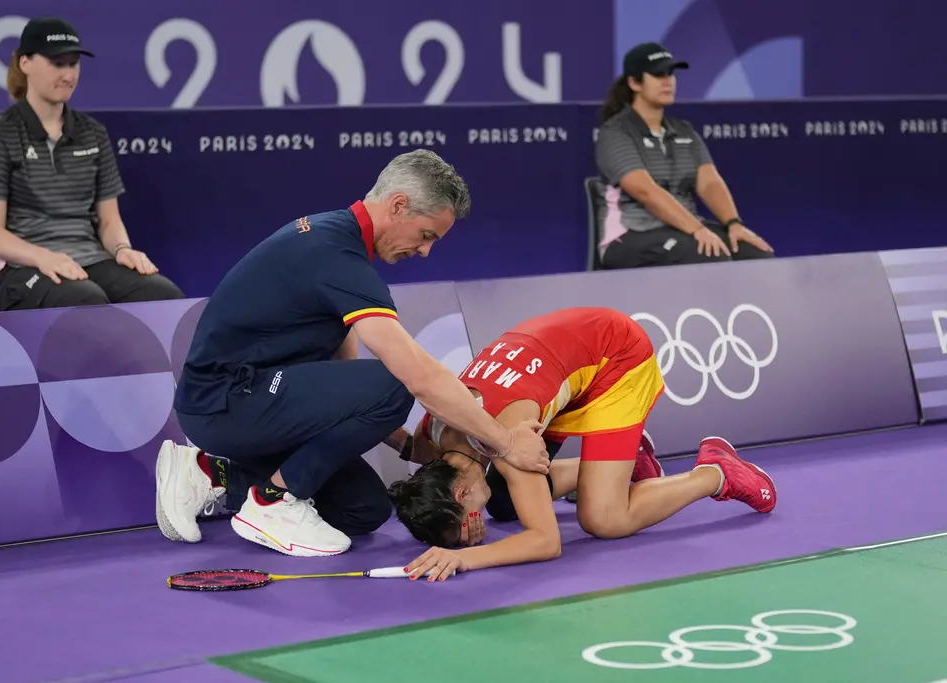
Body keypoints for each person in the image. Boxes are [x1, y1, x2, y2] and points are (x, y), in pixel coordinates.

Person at [155, 150, 550, 557]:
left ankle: (206, 473)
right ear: (399, 205)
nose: (424, 251)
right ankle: (273, 502)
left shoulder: (339, 244)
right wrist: (504, 443)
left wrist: (405, 445)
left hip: (254, 400)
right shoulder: (336, 255)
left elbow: (343, 380)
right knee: (395, 382)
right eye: (427, 235)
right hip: (223, 400)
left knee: (364, 508)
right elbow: (417, 377)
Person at [388, 307, 777, 581]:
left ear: (462, 492)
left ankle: (716, 472)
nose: (475, 528)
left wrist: (464, 559)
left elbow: (546, 541)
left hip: (614, 353)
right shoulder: (432, 435)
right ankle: (630, 460)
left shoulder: (508, 445)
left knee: (604, 520)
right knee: (507, 503)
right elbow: (406, 446)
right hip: (558, 350)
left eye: (466, 522)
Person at [0, 16, 183, 312]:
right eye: (57, 63)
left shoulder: (93, 132)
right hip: (19, 271)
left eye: (73, 63)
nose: (68, 74)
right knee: (85, 301)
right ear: (25, 63)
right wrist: (43, 257)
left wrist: (122, 249)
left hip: (89, 260)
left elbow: (109, 220)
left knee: (162, 295)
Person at [592, 42, 774, 270]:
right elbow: (646, 191)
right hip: (630, 235)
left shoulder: (684, 130)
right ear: (634, 82)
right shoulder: (615, 133)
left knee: (756, 256)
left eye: (671, 73)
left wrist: (733, 224)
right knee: (709, 256)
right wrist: (697, 230)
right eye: (658, 74)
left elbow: (709, 183)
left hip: (682, 229)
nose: (668, 81)